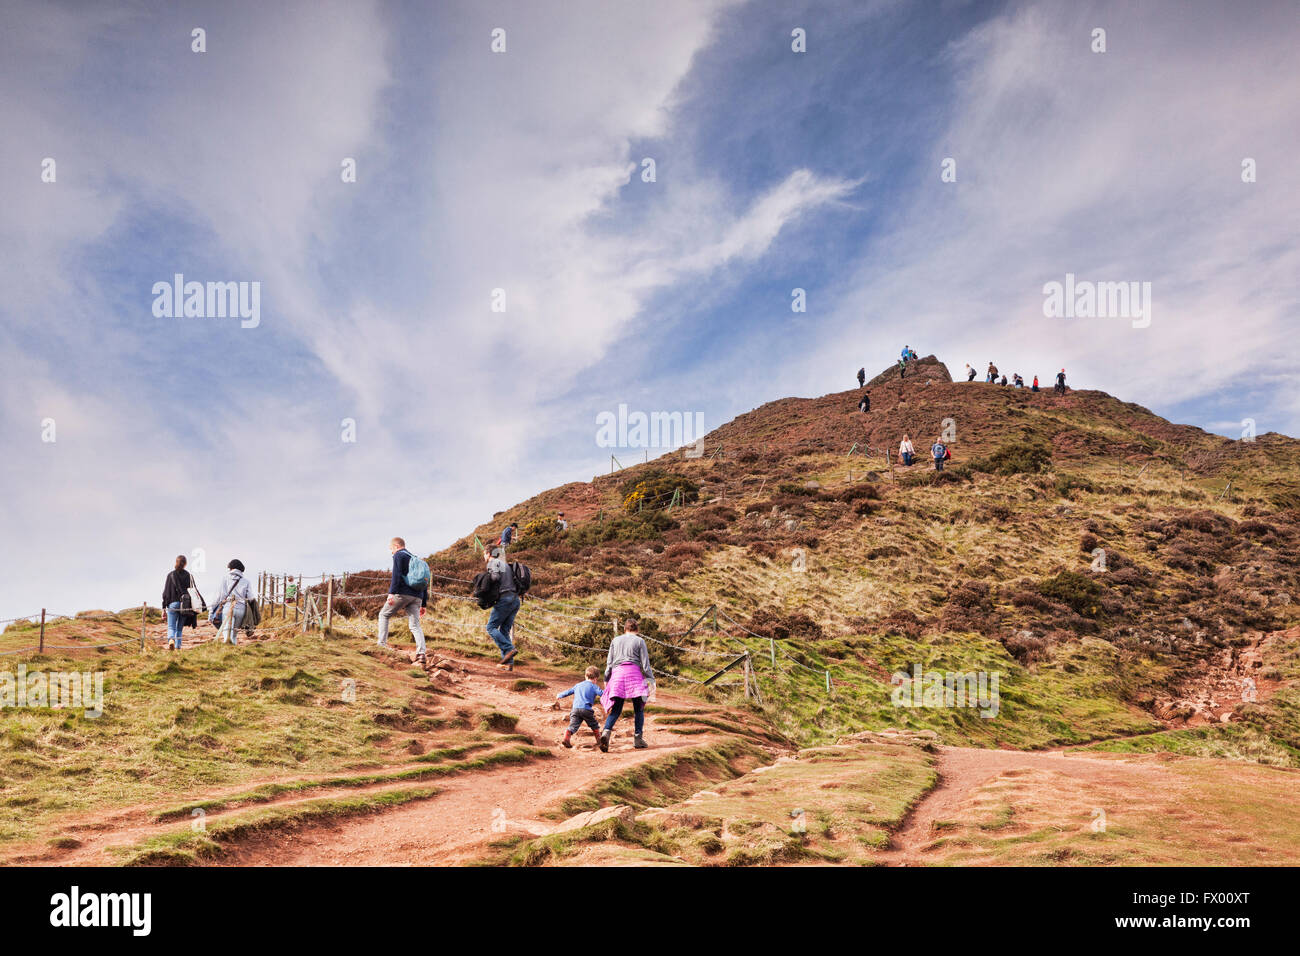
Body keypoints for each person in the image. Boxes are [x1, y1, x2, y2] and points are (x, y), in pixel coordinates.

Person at [599, 618, 655, 752]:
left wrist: (606, 678)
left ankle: (606, 733)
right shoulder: (640, 641)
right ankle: (638, 739)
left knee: (616, 709)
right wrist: (651, 680)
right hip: (634, 675)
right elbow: (645, 665)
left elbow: (609, 663)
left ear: (624, 629)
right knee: (638, 709)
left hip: (617, 675)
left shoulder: (615, 640)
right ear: (637, 629)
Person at [378, 537, 428, 665]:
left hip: (402, 594)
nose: (391, 552)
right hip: (417, 596)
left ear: (396, 546)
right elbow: (424, 582)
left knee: (384, 615)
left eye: (391, 549)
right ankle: (421, 653)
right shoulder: (416, 559)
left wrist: (391, 593)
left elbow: (396, 575)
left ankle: (381, 644)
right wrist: (423, 603)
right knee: (415, 625)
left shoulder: (399, 555)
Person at [484, 546, 520, 667]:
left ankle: (509, 649)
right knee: (504, 631)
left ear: (488, 553)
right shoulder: (505, 564)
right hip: (515, 600)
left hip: (505, 599)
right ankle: (508, 663)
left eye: (484, 554)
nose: (484, 556)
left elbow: (495, 577)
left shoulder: (492, 562)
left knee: (491, 627)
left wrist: (484, 581)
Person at [556, 666, 605, 748]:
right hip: (586, 709)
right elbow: (602, 694)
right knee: (594, 725)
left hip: (575, 709)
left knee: (573, 725)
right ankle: (599, 740)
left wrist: (560, 695)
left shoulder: (578, 685)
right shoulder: (594, 686)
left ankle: (566, 738)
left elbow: (569, 691)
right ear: (596, 678)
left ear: (585, 676)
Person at [209, 559, 253, 645]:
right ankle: (233, 650)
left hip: (228, 607)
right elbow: (250, 597)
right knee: (234, 634)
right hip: (241, 609)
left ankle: (228, 650)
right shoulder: (246, 581)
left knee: (227, 633)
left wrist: (211, 611)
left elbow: (219, 596)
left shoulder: (225, 579)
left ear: (231, 568)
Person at [161, 555, 198, 651]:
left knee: (171, 626)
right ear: (185, 564)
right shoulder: (189, 575)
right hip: (185, 604)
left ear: (176, 562)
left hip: (172, 604)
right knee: (179, 628)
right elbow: (193, 591)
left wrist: (163, 607)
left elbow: (166, 593)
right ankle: (178, 647)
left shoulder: (170, 575)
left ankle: (171, 640)